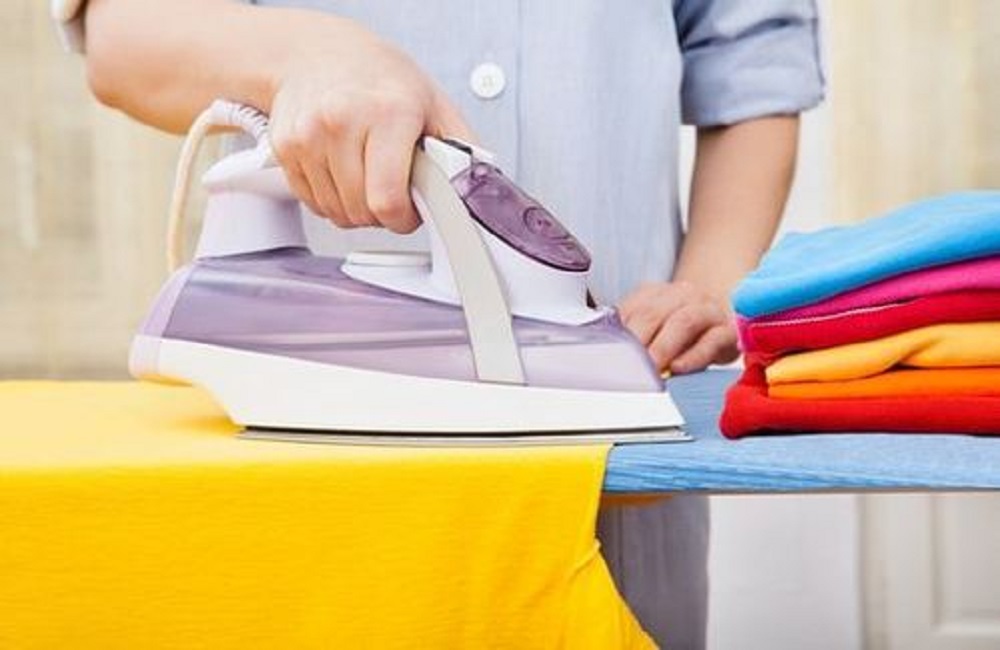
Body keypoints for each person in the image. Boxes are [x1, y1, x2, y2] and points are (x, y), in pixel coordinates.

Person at [58, 1, 824, 646]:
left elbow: (752, 60)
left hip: (607, 496)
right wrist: (310, 57)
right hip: (309, 503)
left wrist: (710, 284)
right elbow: (123, 34)